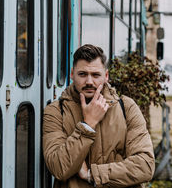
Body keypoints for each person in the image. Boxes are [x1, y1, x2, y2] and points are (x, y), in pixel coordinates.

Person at [43, 44, 155, 188]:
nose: (89, 82)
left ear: (106, 76)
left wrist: (92, 175)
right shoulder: (56, 111)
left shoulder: (127, 107)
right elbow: (59, 168)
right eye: (82, 74)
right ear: (72, 74)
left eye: (96, 75)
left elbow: (145, 166)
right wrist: (87, 125)